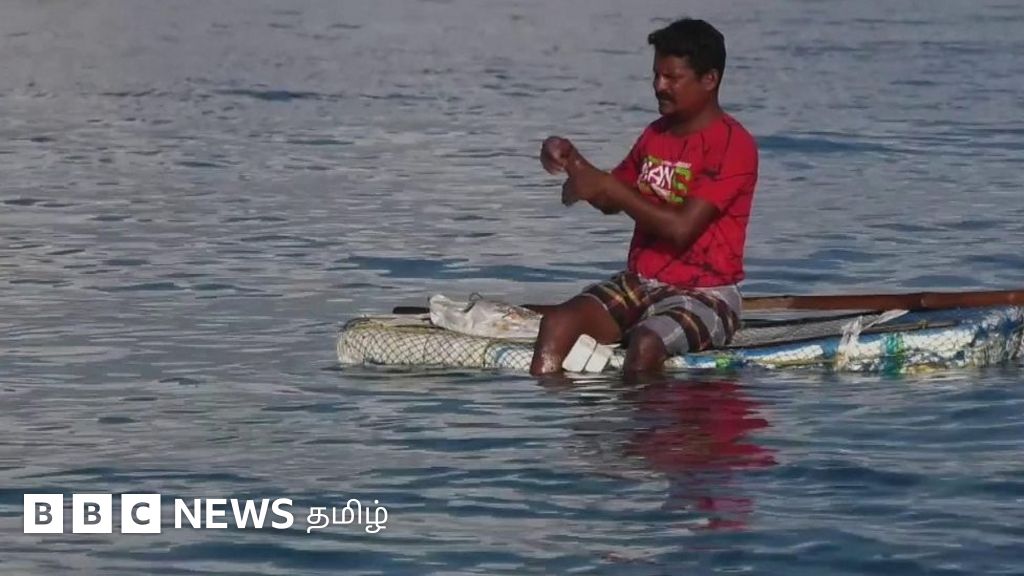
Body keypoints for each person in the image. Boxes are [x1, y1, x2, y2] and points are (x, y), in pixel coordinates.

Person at [532, 17, 758, 375]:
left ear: (709, 79)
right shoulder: (657, 134)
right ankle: (550, 409)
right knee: (556, 325)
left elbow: (681, 228)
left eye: (672, 78)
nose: (658, 86)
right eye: (656, 75)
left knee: (646, 343)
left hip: (706, 294)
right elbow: (611, 199)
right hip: (640, 284)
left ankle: (643, 413)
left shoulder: (733, 145)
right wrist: (571, 159)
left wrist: (608, 186)